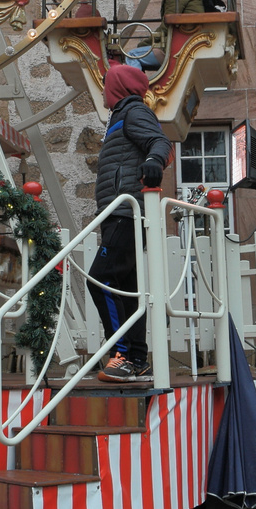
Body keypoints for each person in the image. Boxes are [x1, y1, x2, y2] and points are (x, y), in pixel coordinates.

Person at [89, 64, 171, 383]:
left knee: (101, 279)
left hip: (126, 211)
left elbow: (159, 143)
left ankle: (120, 354)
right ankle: (136, 358)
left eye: (106, 85)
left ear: (118, 87)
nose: (103, 91)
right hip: (119, 212)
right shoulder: (120, 114)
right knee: (127, 290)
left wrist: (153, 161)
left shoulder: (134, 110)